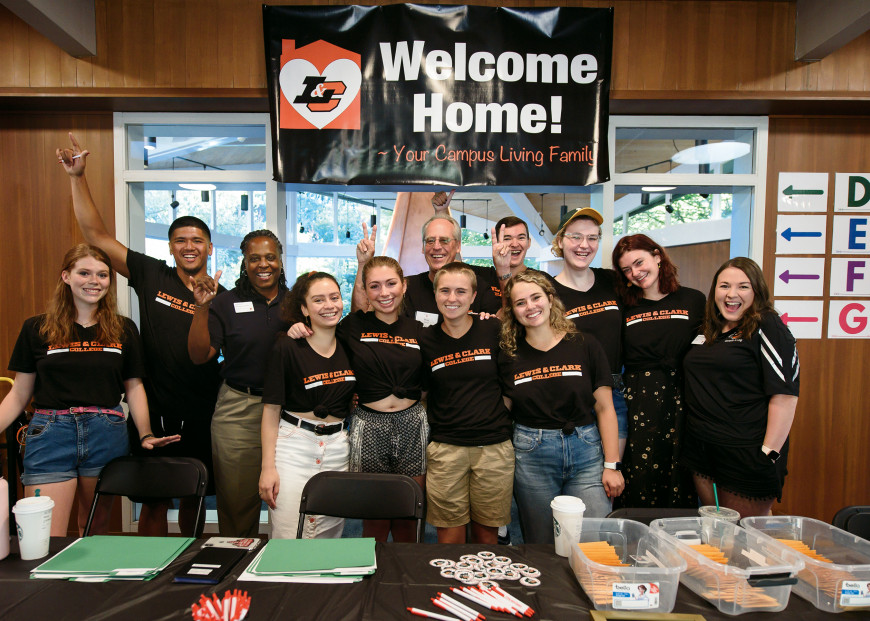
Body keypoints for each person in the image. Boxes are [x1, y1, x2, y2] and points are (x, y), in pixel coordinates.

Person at [57, 133, 223, 536]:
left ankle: (190, 565)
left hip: (205, 411)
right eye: (180, 240)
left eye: (197, 241)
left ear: (210, 248)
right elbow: (96, 237)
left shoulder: (223, 295)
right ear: (170, 248)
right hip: (157, 408)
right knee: (153, 503)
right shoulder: (152, 275)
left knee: (195, 499)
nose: (189, 246)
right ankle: (152, 580)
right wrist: (78, 177)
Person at [0, 244, 179, 535]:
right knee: (44, 533)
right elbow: (19, 394)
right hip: (51, 433)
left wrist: (145, 434)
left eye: (103, 274)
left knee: (93, 530)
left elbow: (134, 388)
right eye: (84, 273)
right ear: (66, 277)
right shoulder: (37, 328)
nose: (94, 281)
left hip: (105, 432)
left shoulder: (123, 329)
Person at [498, 271, 624, 543]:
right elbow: (502, 411)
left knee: (594, 539)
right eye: (520, 303)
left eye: (536, 297)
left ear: (550, 298)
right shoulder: (508, 355)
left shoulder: (584, 343)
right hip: (532, 455)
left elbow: (605, 408)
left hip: (586, 452)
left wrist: (612, 465)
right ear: (512, 311)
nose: (530, 307)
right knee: (542, 542)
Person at [188, 229, 290, 537]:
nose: (263, 264)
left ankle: (283, 568)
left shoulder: (298, 301)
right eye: (254, 258)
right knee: (236, 502)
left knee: (287, 500)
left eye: (270, 257)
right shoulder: (225, 303)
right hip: (239, 409)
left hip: (289, 411)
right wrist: (202, 306)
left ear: (280, 261)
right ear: (244, 263)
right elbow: (199, 355)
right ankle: (236, 570)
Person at [681, 257, 799, 517]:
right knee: (719, 535)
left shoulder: (767, 325)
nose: (732, 294)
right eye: (724, 286)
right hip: (703, 450)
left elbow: (785, 394)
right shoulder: (712, 328)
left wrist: (769, 453)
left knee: (747, 542)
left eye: (743, 287)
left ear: (757, 291)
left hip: (745, 454)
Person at [419, 262, 513, 544]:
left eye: (461, 291)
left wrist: (490, 417)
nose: (452, 298)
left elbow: (509, 386)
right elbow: (423, 394)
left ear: (473, 296)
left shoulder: (492, 329)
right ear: (435, 294)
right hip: (446, 450)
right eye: (445, 290)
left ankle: (484, 590)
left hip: (493, 448)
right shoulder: (425, 340)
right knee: (450, 542)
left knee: (487, 541)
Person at [259, 272, 355, 539]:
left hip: (338, 448)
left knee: (328, 535)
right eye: (318, 300)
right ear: (304, 308)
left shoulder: (349, 342)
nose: (329, 305)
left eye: (334, 297)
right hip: (294, 446)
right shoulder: (287, 345)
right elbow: (270, 411)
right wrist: (268, 468)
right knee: (289, 534)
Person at [612, 234, 705, 508]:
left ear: (657, 255)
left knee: (683, 476)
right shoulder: (623, 307)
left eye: (639, 263)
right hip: (639, 402)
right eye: (627, 270)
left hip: (685, 401)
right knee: (639, 478)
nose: (636, 273)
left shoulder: (694, 300)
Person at [550, 208, 628, 459]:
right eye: (576, 237)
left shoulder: (613, 281)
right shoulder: (547, 291)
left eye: (592, 238)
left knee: (610, 479)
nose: (585, 245)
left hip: (613, 395)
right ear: (560, 241)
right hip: (570, 397)